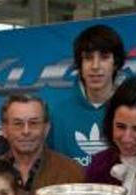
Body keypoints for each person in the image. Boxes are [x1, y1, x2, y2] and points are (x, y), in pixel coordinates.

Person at [49, 24, 125, 165]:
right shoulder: (58, 115)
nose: (95, 66)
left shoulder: (129, 112)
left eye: (104, 57)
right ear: (80, 65)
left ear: (115, 64)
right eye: (88, 58)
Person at [0, 94, 84, 195]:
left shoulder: (71, 173)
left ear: (46, 128)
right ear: (5, 130)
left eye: (34, 123)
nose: (26, 131)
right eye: (18, 124)